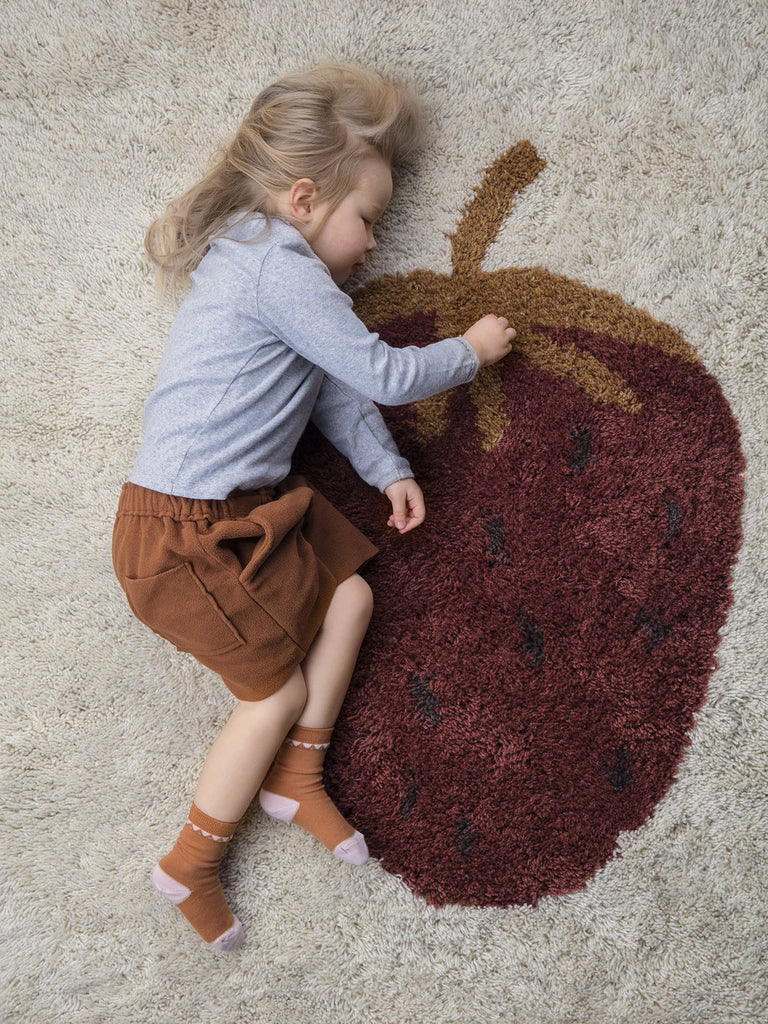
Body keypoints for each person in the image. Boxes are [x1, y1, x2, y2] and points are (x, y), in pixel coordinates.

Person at [112, 61, 515, 952]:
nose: (373, 244)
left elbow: (334, 391)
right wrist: (472, 352)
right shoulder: (274, 265)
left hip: (240, 509)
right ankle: (190, 862)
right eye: (366, 219)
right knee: (273, 689)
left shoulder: (283, 270)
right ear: (303, 198)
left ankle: (298, 775)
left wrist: (383, 468)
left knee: (352, 596)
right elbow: (376, 370)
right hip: (183, 533)